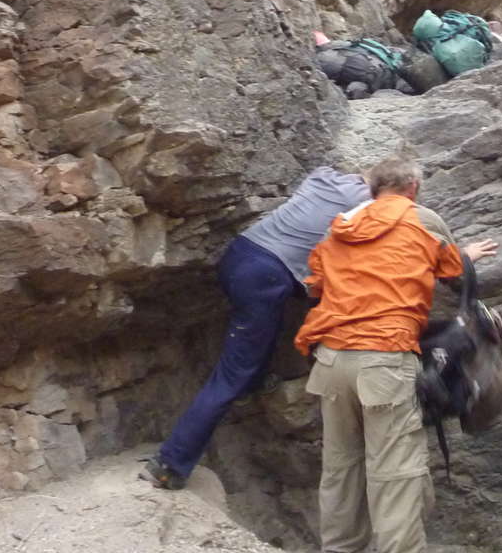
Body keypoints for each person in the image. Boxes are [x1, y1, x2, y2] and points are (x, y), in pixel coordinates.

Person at [293, 158, 498, 553]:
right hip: (384, 359)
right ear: (413, 187)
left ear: (371, 189)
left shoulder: (342, 224)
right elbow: (453, 272)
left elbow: (315, 283)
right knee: (397, 476)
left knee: (341, 465)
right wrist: (465, 255)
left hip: (332, 360)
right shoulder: (420, 219)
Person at [143, 164, 372, 490]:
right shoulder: (366, 203)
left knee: (267, 326)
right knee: (230, 376)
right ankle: (168, 465)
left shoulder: (322, 176)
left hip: (240, 254)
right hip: (265, 276)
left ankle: (254, 383)